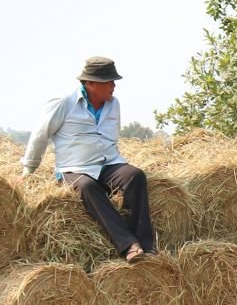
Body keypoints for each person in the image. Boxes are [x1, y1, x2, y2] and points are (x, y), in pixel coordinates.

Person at [21, 57, 156, 261]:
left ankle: (146, 245)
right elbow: (40, 135)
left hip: (107, 163)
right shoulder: (63, 103)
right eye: (109, 81)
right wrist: (28, 170)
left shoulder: (114, 105)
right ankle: (128, 245)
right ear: (90, 83)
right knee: (87, 186)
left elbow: (112, 137)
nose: (114, 85)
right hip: (73, 168)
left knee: (134, 175)